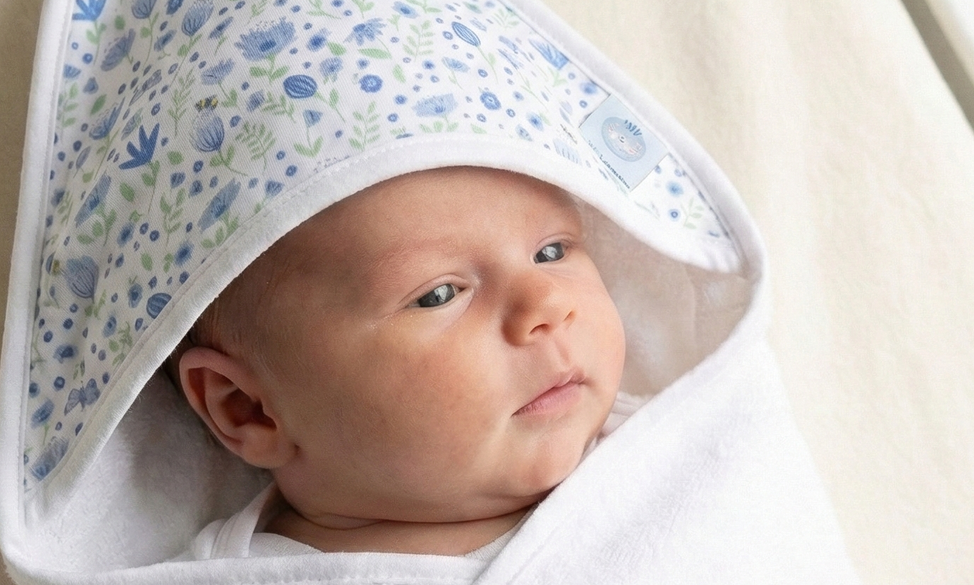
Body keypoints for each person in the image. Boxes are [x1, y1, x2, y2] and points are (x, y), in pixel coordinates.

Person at [173, 166, 637, 563]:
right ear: (248, 409)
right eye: (439, 295)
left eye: (551, 251)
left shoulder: (681, 441)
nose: (548, 303)